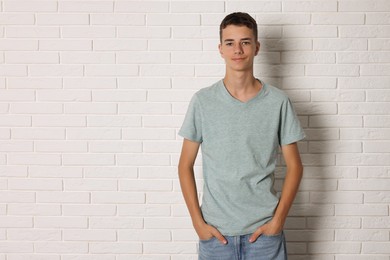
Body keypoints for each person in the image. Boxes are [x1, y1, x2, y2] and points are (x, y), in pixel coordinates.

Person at [177, 12, 305, 260]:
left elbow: (295, 166)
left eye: (245, 42)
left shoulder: (278, 102)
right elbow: (184, 166)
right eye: (230, 43)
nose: (238, 49)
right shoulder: (203, 101)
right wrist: (197, 224)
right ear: (220, 49)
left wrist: (277, 222)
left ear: (257, 47)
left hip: (265, 236)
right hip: (216, 236)